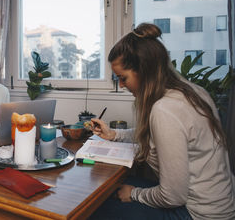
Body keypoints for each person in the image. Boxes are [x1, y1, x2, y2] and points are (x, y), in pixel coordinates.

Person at [89, 23, 235, 219]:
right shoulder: (194, 92)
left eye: (123, 78)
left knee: (96, 207)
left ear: (143, 70)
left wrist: (133, 193)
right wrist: (115, 134)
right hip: (222, 202)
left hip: (199, 213)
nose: (122, 85)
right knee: (110, 191)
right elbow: (162, 136)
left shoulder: (164, 109)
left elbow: (173, 196)